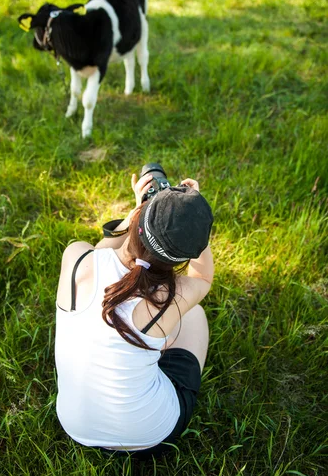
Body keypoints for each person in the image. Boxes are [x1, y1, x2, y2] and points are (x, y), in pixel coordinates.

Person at [55, 172, 214, 457]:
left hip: (75, 425)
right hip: (148, 434)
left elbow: (105, 251)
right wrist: (194, 221)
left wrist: (138, 211)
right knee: (194, 317)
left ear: (138, 218)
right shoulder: (168, 299)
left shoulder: (77, 258)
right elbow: (202, 279)